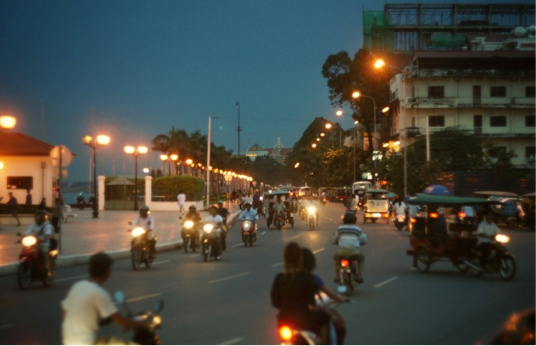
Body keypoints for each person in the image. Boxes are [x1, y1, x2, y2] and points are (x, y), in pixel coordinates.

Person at [61, 252, 150, 346]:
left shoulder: (77, 287)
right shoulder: (99, 293)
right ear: (107, 272)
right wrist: (143, 324)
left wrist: (92, 321)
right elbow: (120, 321)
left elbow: (64, 314)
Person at [271, 242, 331, 345]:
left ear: (285, 258)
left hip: (283, 321)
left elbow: (275, 302)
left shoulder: (279, 277)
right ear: (300, 258)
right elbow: (311, 302)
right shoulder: (306, 277)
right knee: (326, 317)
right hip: (304, 320)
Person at [302, 248, 348, 346]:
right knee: (327, 321)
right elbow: (330, 294)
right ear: (312, 263)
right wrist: (340, 298)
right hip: (305, 315)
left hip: (287, 316)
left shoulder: (286, 278)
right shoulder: (312, 278)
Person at [333, 212, 366, 283]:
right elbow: (363, 239)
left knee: (336, 258)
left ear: (344, 220)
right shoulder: (357, 229)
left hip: (342, 252)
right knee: (361, 259)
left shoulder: (340, 229)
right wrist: (362, 242)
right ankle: (359, 275)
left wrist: (335, 241)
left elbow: (335, 238)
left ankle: (337, 276)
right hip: (355, 252)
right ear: (354, 220)